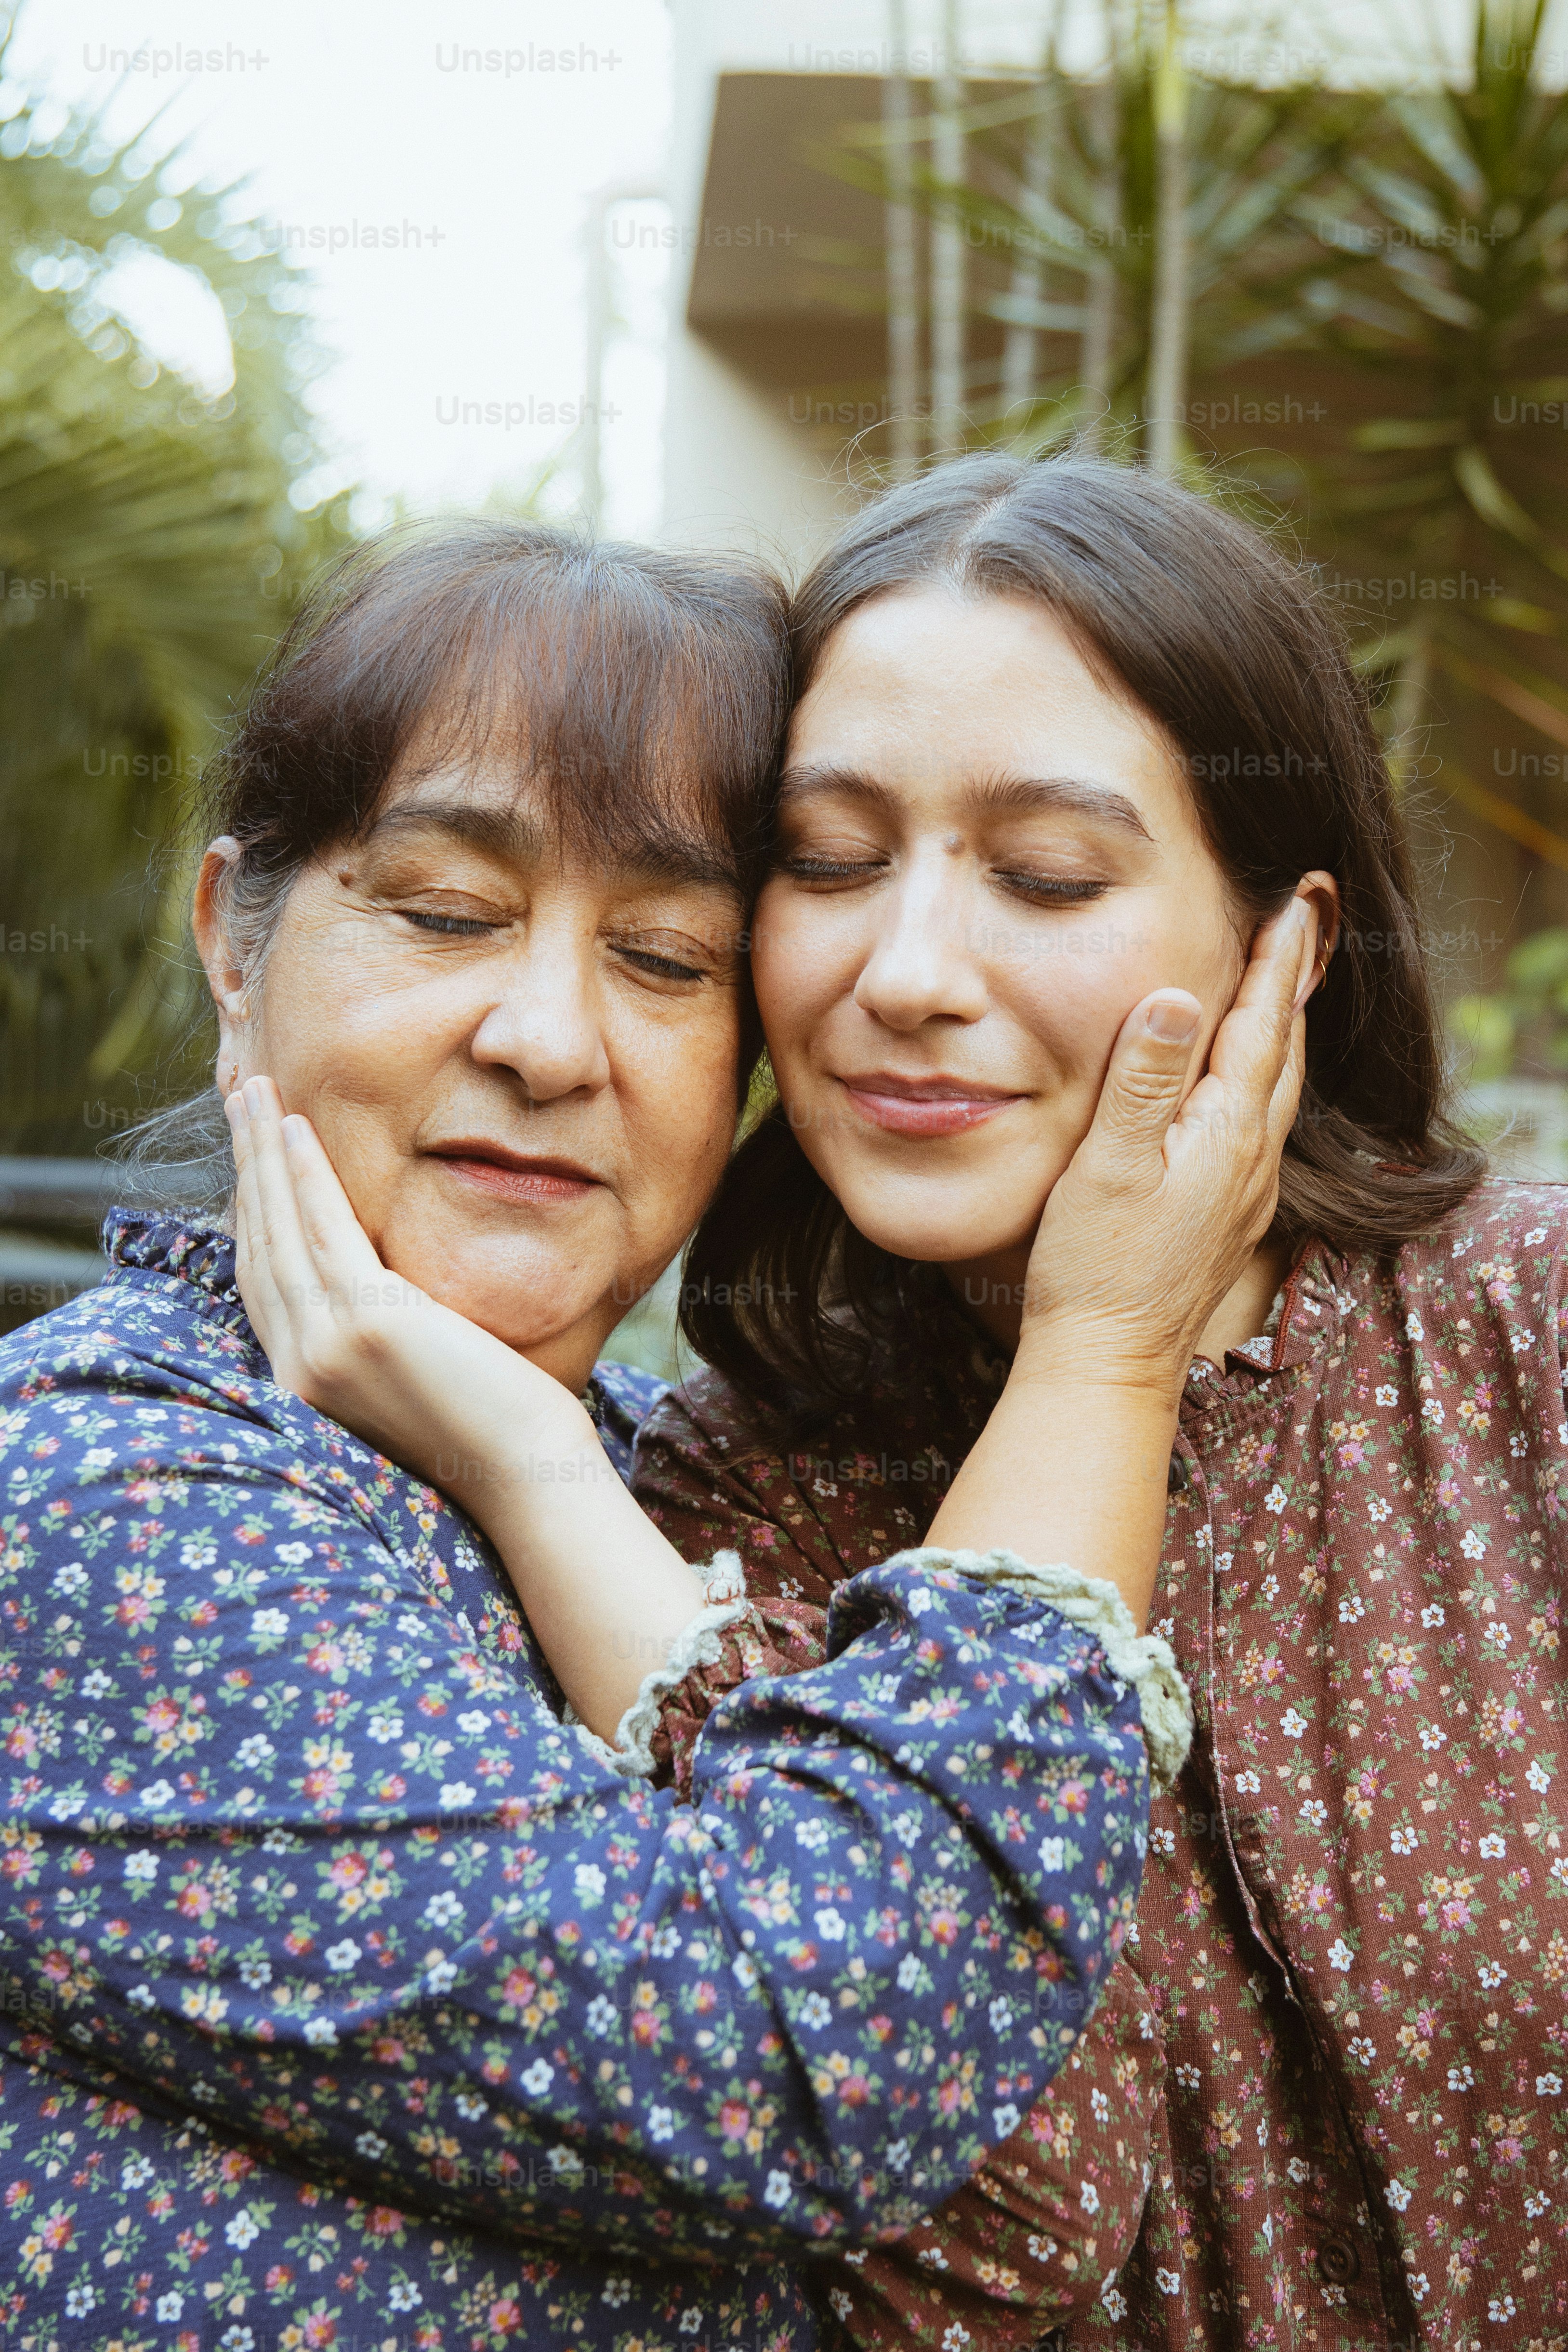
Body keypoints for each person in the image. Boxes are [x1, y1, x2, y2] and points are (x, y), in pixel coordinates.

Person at [0, 515, 1297, 2352]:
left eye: (672, 961)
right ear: (233, 934)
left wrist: (536, 1457)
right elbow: (816, 2051)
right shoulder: (102, 1490)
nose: (549, 1037)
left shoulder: (692, 1474)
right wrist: (1101, 1345)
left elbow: (1023, 2196)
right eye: (446, 911)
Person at [617, 452, 1568, 2347]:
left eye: (1046, 875)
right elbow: (947, 2254)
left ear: (1277, 943)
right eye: (826, 858)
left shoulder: (1522, 1341)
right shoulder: (721, 1507)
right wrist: (1092, 1361)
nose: (905, 974)